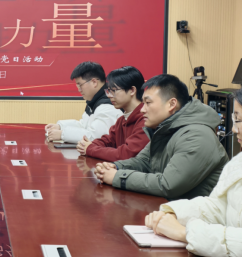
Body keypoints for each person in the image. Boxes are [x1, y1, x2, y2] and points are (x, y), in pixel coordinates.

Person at [144, 88, 242, 257]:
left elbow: (168, 184)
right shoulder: (238, 162)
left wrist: (185, 233)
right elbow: (218, 206)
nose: (234, 129)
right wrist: (174, 214)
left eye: (239, 120)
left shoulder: (198, 135)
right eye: (234, 119)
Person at [95, 74, 228, 200]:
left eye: (148, 103)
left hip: (195, 215)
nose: (142, 110)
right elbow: (143, 162)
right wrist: (114, 167)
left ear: (171, 104)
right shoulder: (166, 129)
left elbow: (168, 185)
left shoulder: (197, 136)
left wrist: (117, 177)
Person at [77, 66, 149, 161]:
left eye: (114, 91)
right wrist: (86, 145)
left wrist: (90, 148)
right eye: (108, 91)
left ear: (132, 90)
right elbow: (107, 141)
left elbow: (125, 154)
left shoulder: (146, 120)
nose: (109, 96)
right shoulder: (121, 120)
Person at [45, 62, 122, 143]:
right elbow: (84, 125)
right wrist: (60, 126)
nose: (79, 89)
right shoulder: (94, 100)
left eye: (80, 85)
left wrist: (62, 134)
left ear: (94, 82)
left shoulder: (108, 105)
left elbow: (95, 137)